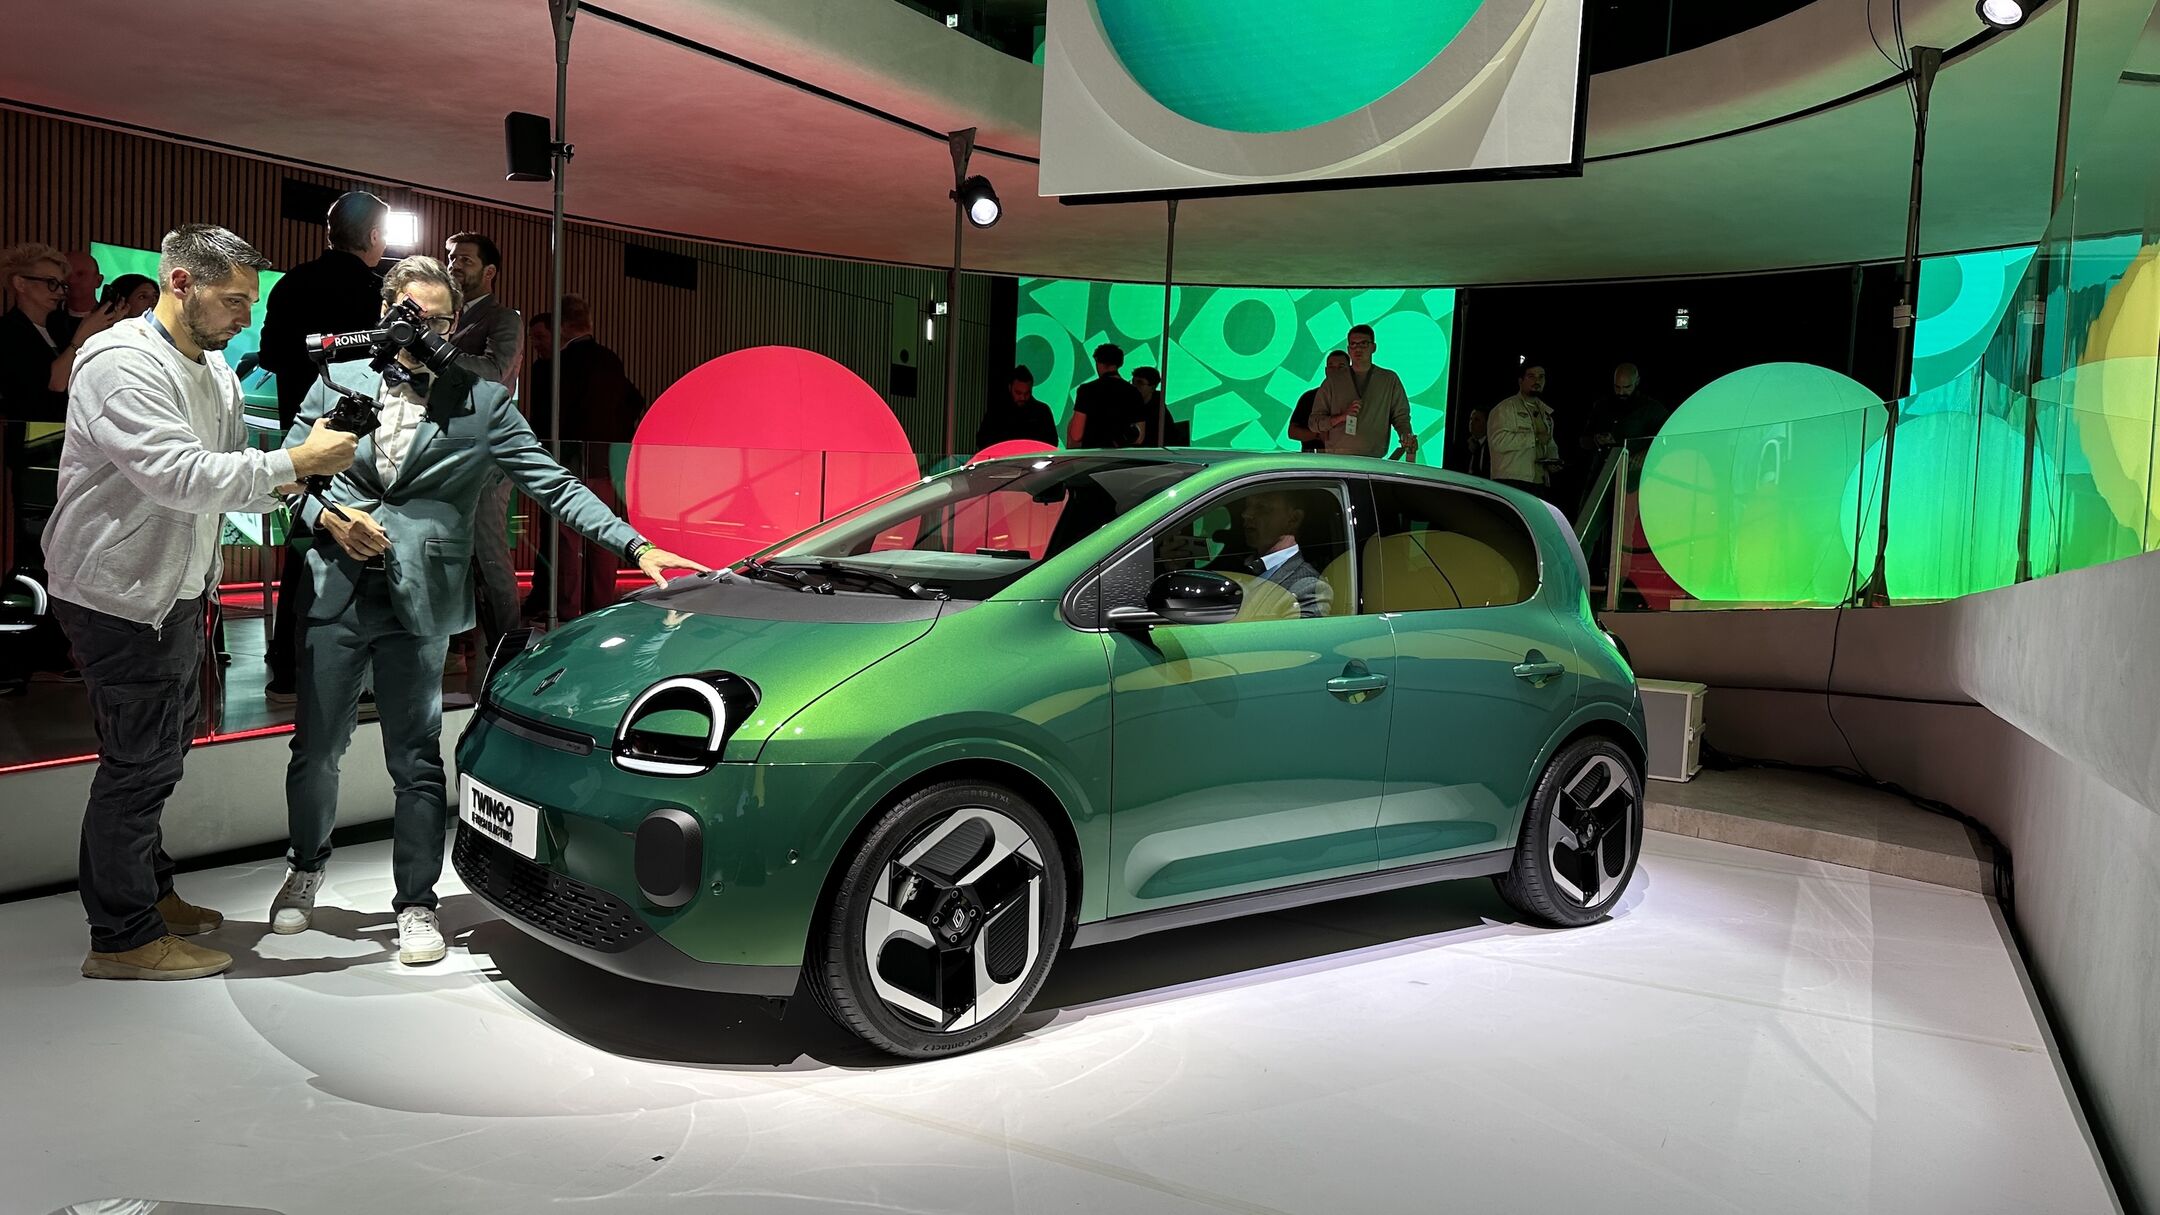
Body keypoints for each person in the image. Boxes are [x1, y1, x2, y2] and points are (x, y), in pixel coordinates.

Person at [269, 257, 705, 966]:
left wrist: (635, 544)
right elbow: (288, 478)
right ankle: (304, 866)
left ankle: (416, 902)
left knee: (415, 757)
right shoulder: (337, 377)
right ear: (386, 311)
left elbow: (554, 484)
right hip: (336, 588)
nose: (424, 329)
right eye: (411, 314)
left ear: (454, 324)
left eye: (439, 319)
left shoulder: (482, 401)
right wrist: (330, 518)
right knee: (317, 749)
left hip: (421, 597)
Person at [41, 224, 359, 980]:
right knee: (138, 763)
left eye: (251, 301)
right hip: (118, 593)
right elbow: (177, 475)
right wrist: (292, 459)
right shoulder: (119, 361)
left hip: (175, 589)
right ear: (180, 283)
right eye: (235, 300)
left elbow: (226, 468)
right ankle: (122, 935)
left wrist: (291, 476)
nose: (247, 317)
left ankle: (147, 892)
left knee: (161, 750)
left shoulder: (214, 367)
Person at [256, 190, 390, 705]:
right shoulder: (377, 291)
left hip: (301, 437)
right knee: (356, 551)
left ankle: (286, 666)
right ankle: (344, 675)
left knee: (303, 545)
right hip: (363, 442)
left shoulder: (292, 282)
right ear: (374, 236)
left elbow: (271, 353)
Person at [524, 292, 643, 619]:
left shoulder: (557, 365)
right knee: (604, 534)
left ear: (562, 325)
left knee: (568, 538)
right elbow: (635, 400)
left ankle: (568, 609)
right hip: (604, 461)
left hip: (568, 461)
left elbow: (548, 417)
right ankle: (601, 605)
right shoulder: (610, 359)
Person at [442, 232, 522, 672]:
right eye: (451, 257)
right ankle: (457, 649)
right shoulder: (442, 317)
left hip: (486, 451)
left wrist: (435, 352)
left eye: (465, 260)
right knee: (448, 554)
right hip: (443, 450)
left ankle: (508, 658)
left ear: (490, 272)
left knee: (489, 556)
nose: (454, 265)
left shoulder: (503, 318)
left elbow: (494, 372)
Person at [1305, 324, 1417, 461]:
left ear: (1373, 347)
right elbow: (1314, 423)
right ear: (1348, 349)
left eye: (1363, 344)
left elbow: (1401, 418)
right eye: (1353, 344)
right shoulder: (1333, 381)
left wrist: (1406, 437)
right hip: (1338, 460)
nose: (1358, 348)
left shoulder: (1388, 379)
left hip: (1373, 461)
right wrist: (1341, 417)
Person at [1239, 489, 1330, 618]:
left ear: (1293, 519)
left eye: (1262, 507)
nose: (1246, 514)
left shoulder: (1308, 586)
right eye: (1247, 506)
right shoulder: (1239, 567)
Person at [1486, 364, 1562, 500]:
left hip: (1539, 482)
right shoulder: (1505, 408)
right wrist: (1534, 438)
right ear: (1520, 381)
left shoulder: (1546, 413)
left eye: (1541, 377)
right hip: (1510, 481)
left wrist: (1553, 461)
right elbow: (1498, 442)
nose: (1537, 381)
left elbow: (1549, 442)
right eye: (1531, 376)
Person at [1066, 343, 1143, 449]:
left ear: (1098, 362)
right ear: (1120, 363)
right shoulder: (1133, 392)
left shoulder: (1087, 390)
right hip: (1122, 456)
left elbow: (1076, 435)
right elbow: (1139, 438)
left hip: (1092, 455)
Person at [975, 365, 1057, 449]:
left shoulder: (1042, 412)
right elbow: (982, 440)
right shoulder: (997, 411)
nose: (1023, 398)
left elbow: (1052, 443)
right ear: (1010, 387)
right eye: (1018, 393)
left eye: (1027, 393)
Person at [1288, 350, 1349, 452]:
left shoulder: (1355, 397)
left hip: (1346, 457)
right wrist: (1318, 434)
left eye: (1341, 366)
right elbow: (1293, 432)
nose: (1335, 370)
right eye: (1331, 366)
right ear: (1326, 370)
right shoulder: (1309, 397)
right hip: (1313, 458)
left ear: (1349, 370)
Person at [48, 251, 105, 346]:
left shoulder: (111, 321)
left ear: (98, 281)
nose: (71, 280)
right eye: (66, 274)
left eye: (80, 274)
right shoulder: (46, 319)